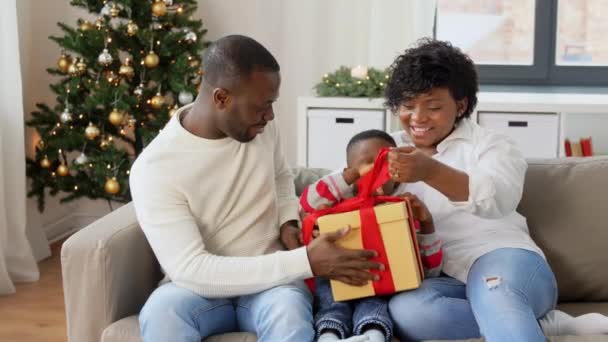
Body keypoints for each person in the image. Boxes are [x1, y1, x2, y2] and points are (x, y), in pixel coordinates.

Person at [129, 35, 383, 342]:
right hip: (195, 290)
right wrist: (305, 261)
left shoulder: (262, 128)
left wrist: (287, 218)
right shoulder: (155, 168)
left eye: (272, 104)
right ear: (221, 98)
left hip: (274, 288)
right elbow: (190, 268)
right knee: (161, 313)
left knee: (288, 313)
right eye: (263, 106)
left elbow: (281, 176)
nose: (271, 116)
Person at [384, 38, 608, 341]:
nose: (418, 118)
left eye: (433, 106)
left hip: (505, 260)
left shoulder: (492, 145)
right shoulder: (387, 149)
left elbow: (496, 198)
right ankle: (545, 326)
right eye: (408, 105)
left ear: (461, 105)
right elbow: (341, 191)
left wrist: (431, 171)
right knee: (408, 311)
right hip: (443, 278)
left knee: (495, 292)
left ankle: (513, 316)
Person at [299, 130, 443, 342]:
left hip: (378, 281)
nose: (375, 171)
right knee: (329, 298)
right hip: (333, 277)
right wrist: (352, 175)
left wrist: (427, 224)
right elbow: (307, 202)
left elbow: (430, 270)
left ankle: (372, 334)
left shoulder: (402, 207)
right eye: (367, 165)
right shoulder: (337, 199)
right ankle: (329, 334)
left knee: (376, 299)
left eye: (383, 164)